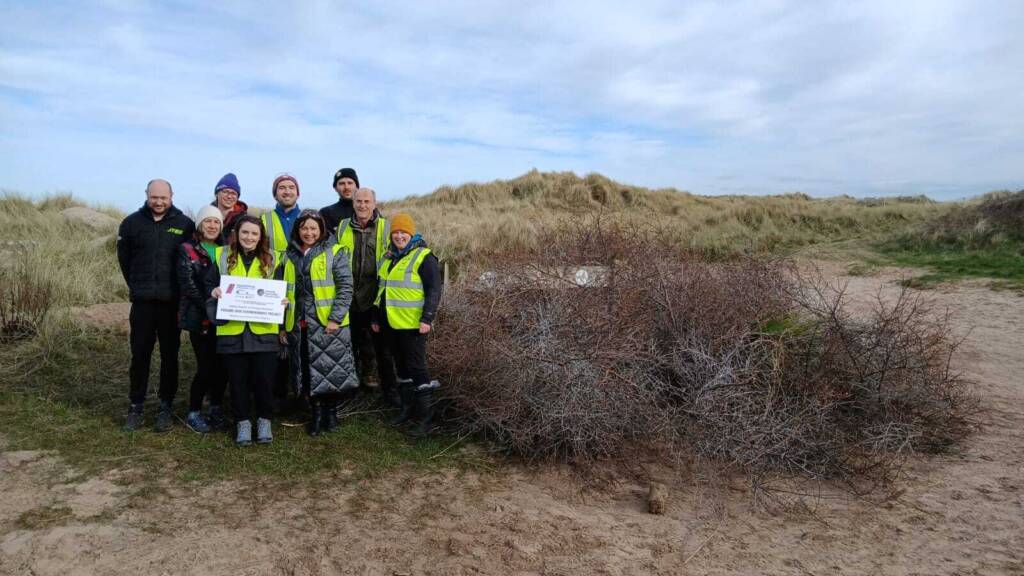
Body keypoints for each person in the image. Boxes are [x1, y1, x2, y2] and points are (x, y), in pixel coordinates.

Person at [117, 179, 195, 432]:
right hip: (142, 304)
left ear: (172, 196)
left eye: (163, 197)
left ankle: (165, 406)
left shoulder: (185, 225)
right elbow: (124, 260)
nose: (159, 202)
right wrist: (139, 286)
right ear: (147, 196)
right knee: (140, 355)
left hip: (171, 304)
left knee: (170, 357)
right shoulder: (131, 223)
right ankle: (136, 406)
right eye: (154, 197)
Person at [206, 215, 284, 446]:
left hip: (265, 331)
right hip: (232, 332)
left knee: (264, 380)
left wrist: (283, 302)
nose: (249, 237)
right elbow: (209, 284)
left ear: (261, 237)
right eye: (245, 233)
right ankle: (242, 423)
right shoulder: (221, 256)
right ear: (237, 235)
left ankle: (264, 421)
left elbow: (284, 288)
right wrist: (214, 292)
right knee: (237, 381)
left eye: (254, 234)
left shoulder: (274, 259)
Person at [278, 210, 357, 436]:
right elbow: (283, 291)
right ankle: (316, 414)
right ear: (298, 230)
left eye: (313, 228)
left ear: (321, 230)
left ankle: (331, 413)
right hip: (299, 324)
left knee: (330, 371)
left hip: (327, 323)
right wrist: (282, 325)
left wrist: (335, 318)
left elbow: (345, 287)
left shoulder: (336, 252)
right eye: (304, 228)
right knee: (307, 370)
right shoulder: (288, 256)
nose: (309, 232)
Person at [371, 213, 443, 437]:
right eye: (396, 232)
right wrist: (376, 317)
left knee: (417, 368)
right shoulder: (389, 257)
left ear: (411, 234)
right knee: (401, 368)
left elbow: (434, 290)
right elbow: (382, 289)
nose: (399, 236)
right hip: (391, 323)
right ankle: (406, 410)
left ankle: (425, 420)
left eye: (403, 232)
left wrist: (427, 318)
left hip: (413, 325)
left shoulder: (424, 257)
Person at [335, 187, 398, 407]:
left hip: (375, 295)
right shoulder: (341, 227)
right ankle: (348, 386)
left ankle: (385, 389)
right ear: (353, 203)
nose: (362, 205)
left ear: (374, 203)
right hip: (348, 295)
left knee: (380, 346)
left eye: (366, 201)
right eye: (358, 201)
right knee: (347, 343)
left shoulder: (386, 227)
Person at [177, 204, 227, 433]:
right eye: (208, 221)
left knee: (222, 367)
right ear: (199, 224)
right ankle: (194, 412)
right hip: (201, 319)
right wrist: (210, 303)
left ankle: (216, 408)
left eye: (216, 222)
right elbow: (188, 285)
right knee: (205, 367)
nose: (212, 225)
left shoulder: (225, 249)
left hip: (225, 319)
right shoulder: (187, 249)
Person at [261, 174, 302, 258]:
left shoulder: (309, 219)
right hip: (274, 269)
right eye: (282, 188)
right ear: (275, 195)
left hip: (301, 270)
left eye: (291, 188)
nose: (287, 192)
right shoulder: (263, 220)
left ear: (298, 194)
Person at [320, 167, 358, 235]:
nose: (346, 187)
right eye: (341, 183)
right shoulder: (326, 213)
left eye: (350, 183)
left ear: (357, 186)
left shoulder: (368, 211)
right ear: (335, 188)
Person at [211, 173, 248, 243]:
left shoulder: (244, 221)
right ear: (216, 194)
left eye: (233, 193)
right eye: (225, 192)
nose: (229, 196)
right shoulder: (206, 217)